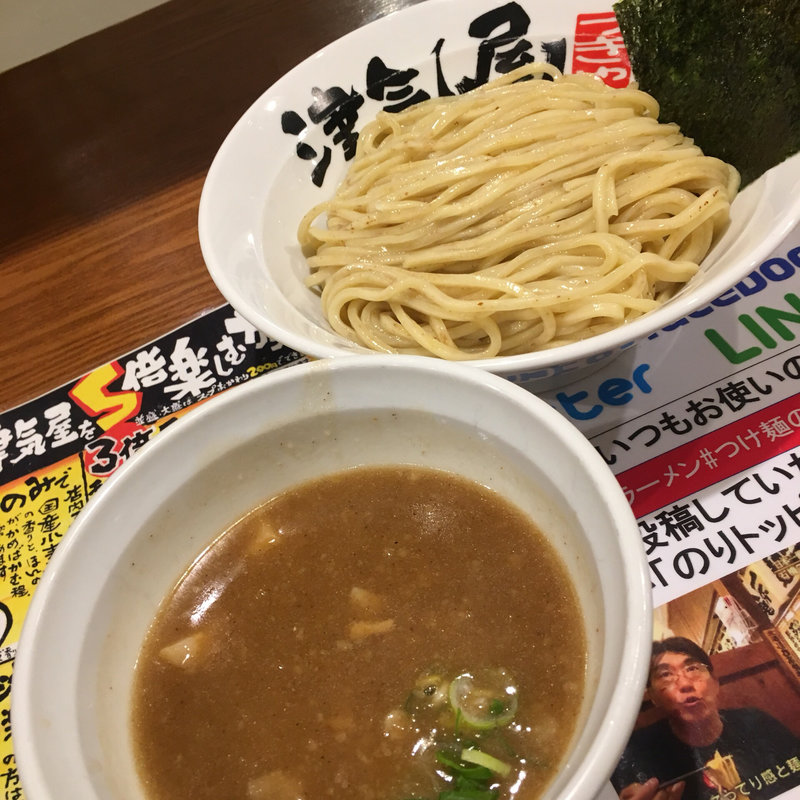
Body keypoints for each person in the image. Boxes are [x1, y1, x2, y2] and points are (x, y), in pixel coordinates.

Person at [612, 637, 800, 800]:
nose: (684, 683)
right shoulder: (637, 753)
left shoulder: (756, 722)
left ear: (715, 683)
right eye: (665, 675)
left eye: (692, 668)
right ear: (653, 697)